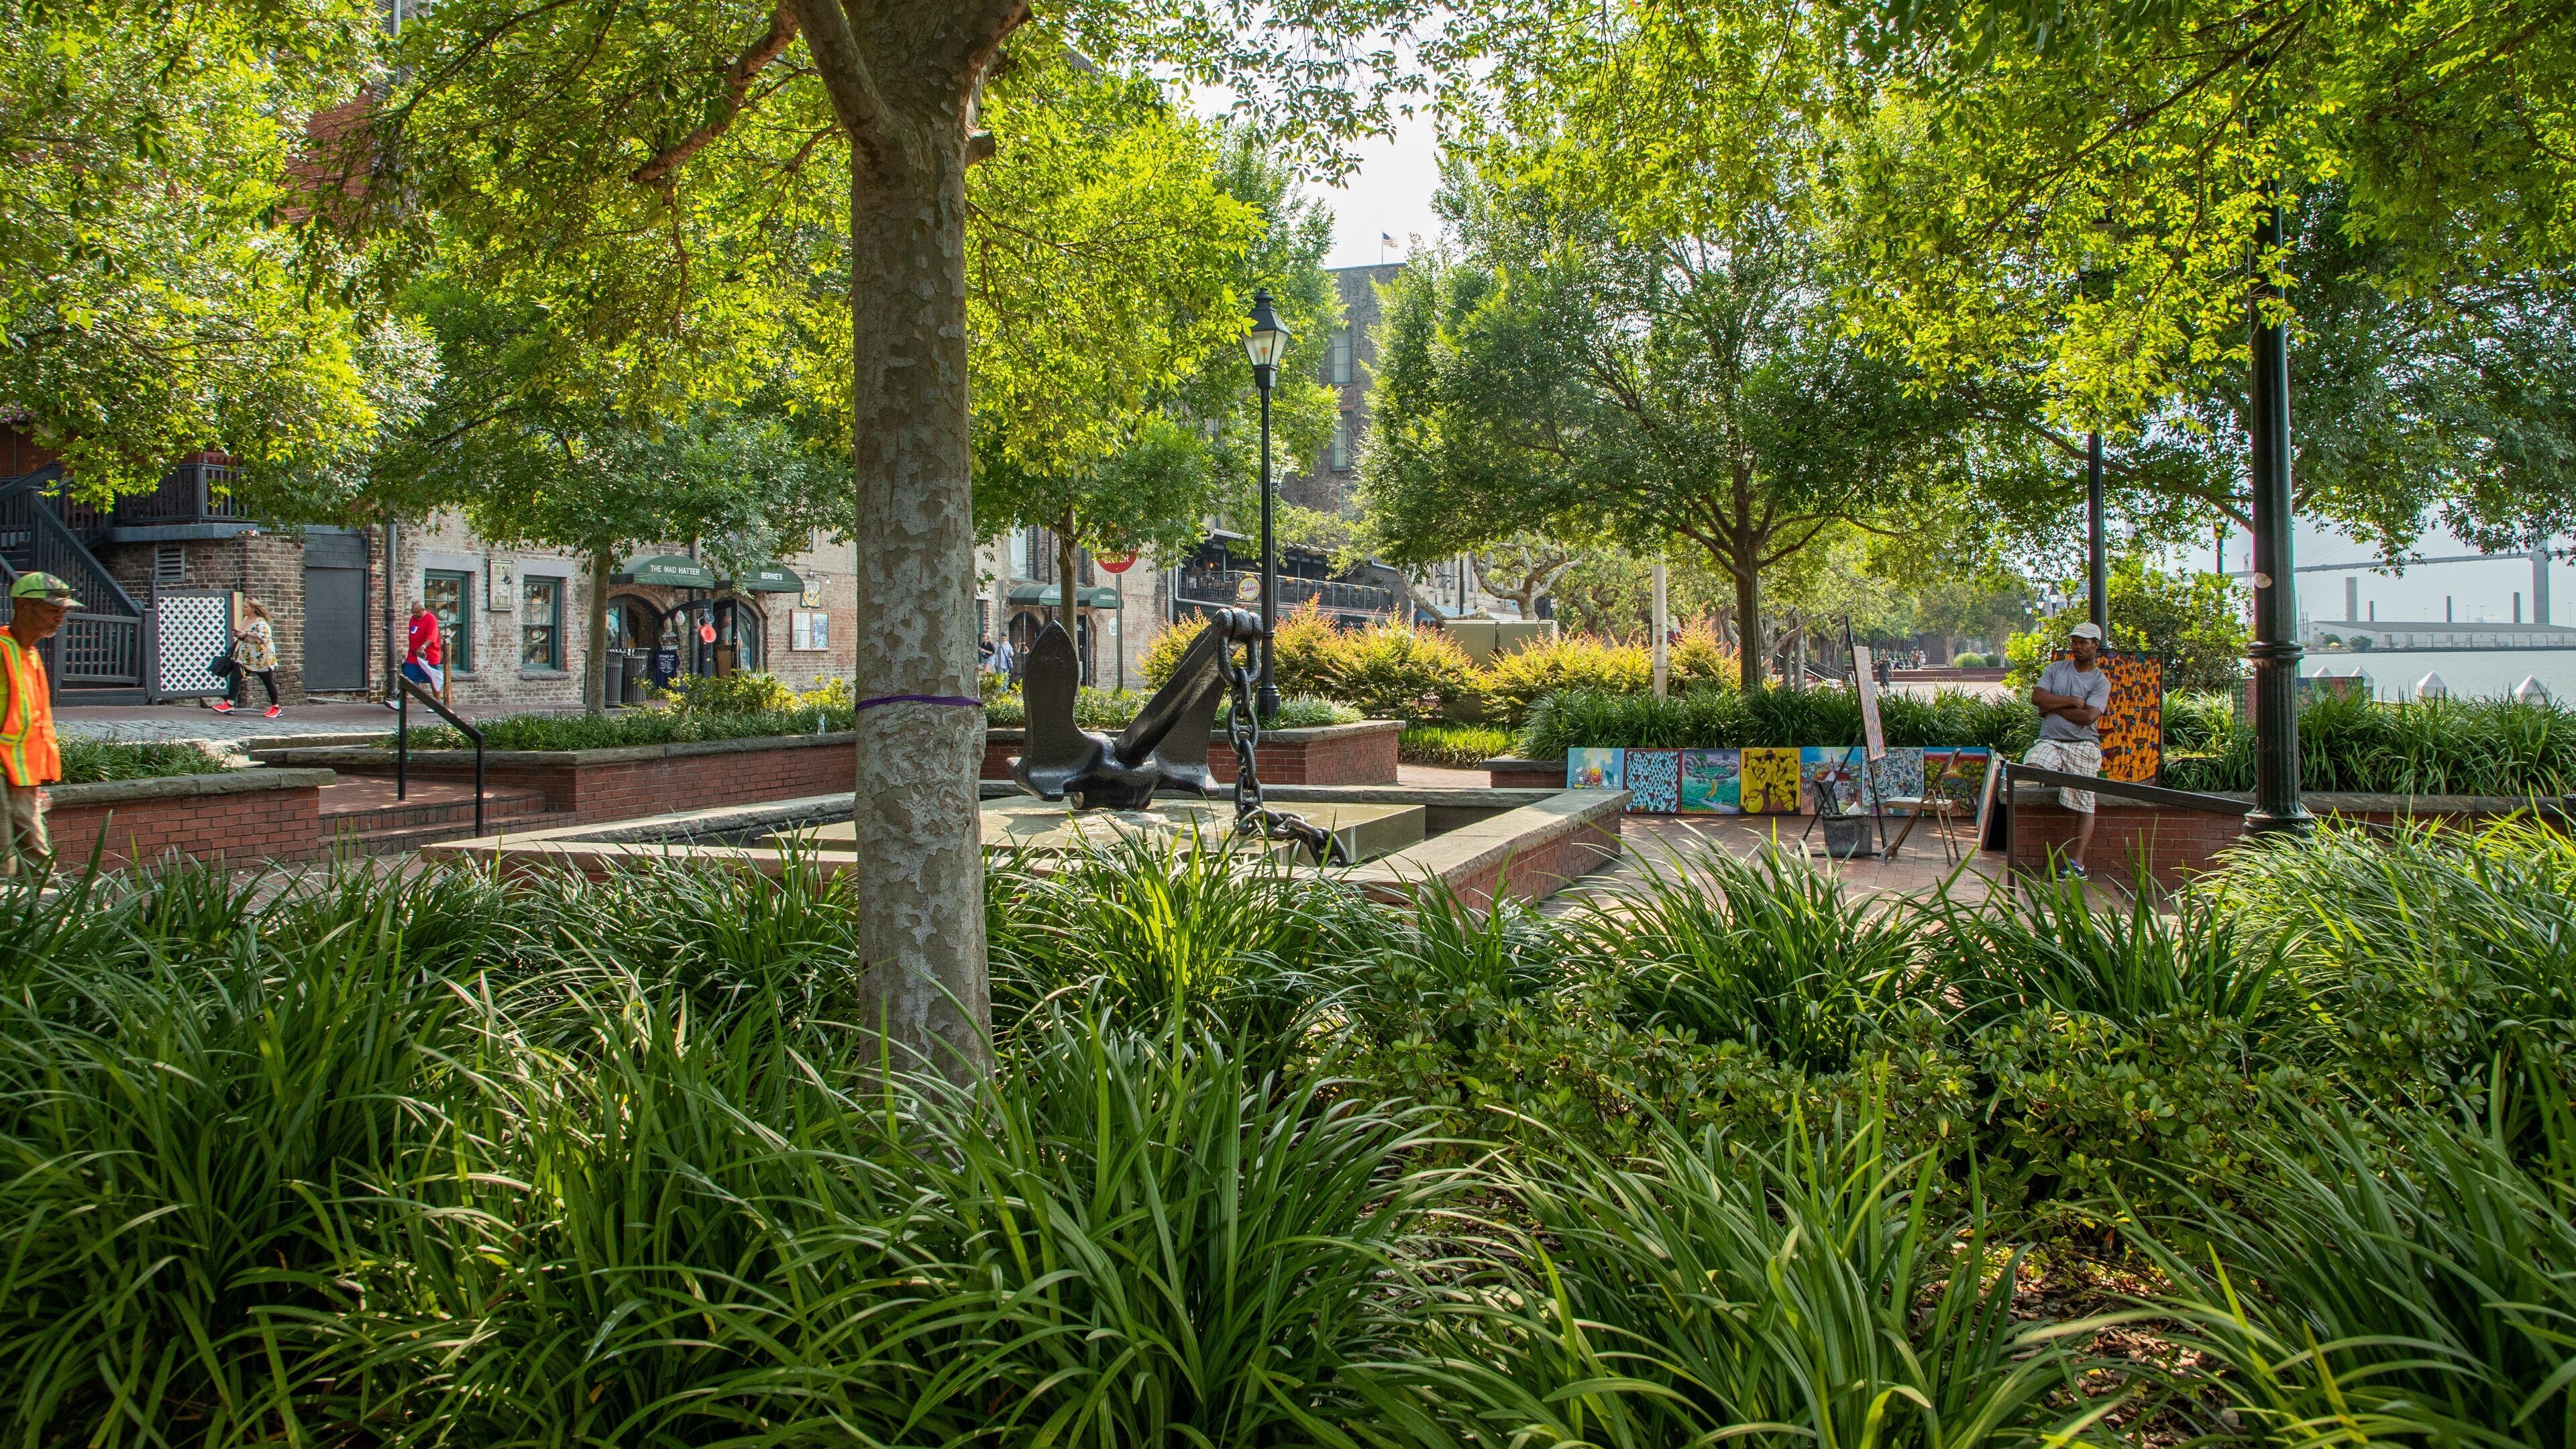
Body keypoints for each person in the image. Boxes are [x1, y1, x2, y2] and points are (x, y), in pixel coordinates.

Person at [0, 573, 76, 879]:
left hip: (19, 776)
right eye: (52, 609)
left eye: (63, 611)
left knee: (38, 862)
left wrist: (34, 782)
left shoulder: (28, 653)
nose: (59, 618)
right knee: (5, 864)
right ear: (23, 606)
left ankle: (49, 920)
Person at [2025, 619, 2112, 877]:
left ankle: (2077, 864)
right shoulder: (2056, 669)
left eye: (2083, 642)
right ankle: (2062, 785)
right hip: (2050, 741)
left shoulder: (2100, 682)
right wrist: (2073, 702)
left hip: (2083, 745)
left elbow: (2088, 719)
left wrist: (2052, 707)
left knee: (2086, 802)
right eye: (2074, 641)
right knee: (2031, 767)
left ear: (2095, 645)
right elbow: (2037, 698)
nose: (2077, 647)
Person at [212, 598, 280, 716]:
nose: (243, 609)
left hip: (261, 659)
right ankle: (229, 705)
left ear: (253, 609)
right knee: (235, 677)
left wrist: (247, 634)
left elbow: (265, 637)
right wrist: (239, 635)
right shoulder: (246, 619)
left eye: (245, 607)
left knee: (268, 682)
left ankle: (276, 708)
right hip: (247, 658)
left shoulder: (261, 623)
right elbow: (244, 636)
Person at [394, 600, 445, 707]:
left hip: (428, 656)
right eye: (413, 612)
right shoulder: (413, 619)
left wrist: (423, 647)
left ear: (423, 610)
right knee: (408, 677)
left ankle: (437, 705)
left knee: (433, 678)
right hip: (413, 655)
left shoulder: (431, 619)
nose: (414, 614)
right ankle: (400, 704)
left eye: (416, 612)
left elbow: (432, 636)